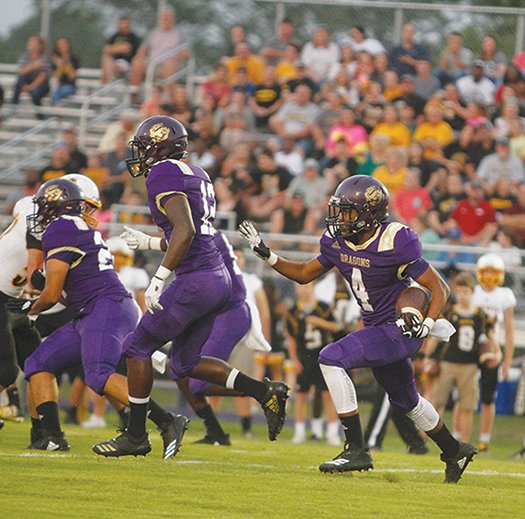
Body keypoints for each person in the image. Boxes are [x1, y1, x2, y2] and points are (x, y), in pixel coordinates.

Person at [240, 175, 477, 483]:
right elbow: (302, 274)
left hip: (398, 328)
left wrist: (428, 323)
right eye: (339, 211)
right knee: (407, 402)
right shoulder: (338, 242)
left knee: (331, 357)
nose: (340, 218)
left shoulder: (395, 240)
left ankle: (356, 447)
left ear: (369, 213)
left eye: (348, 212)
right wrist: (266, 253)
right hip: (377, 328)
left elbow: (438, 288)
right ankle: (454, 450)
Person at [93, 116, 289, 457]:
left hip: (196, 277)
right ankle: (264, 391)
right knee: (184, 364)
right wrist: (151, 244)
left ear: (159, 146)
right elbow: (193, 231)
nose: (139, 154)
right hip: (216, 277)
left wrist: (159, 277)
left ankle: (137, 435)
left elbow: (185, 231)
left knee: (135, 348)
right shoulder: (197, 173)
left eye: (143, 146)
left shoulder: (162, 172)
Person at [7, 178, 187, 455]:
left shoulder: (61, 226)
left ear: (54, 207)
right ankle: (52, 436)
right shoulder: (80, 227)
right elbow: (66, 292)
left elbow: (53, 295)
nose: (40, 214)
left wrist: (28, 307)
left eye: (44, 207)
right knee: (37, 363)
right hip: (92, 311)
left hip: (104, 308)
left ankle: (167, 420)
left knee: (99, 375)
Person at [426, 273, 492, 443]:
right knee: (437, 402)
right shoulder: (450, 312)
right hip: (447, 362)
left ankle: (463, 442)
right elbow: (435, 336)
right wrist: (427, 356)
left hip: (470, 365)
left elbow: (489, 338)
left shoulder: (480, 315)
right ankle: (423, 441)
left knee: (467, 407)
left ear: (472, 292)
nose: (462, 296)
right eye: (459, 292)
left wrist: (494, 352)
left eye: (465, 292)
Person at [285, 281, 342, 446]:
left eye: (307, 286)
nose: (303, 290)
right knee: (301, 395)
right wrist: (294, 359)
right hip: (304, 358)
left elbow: (336, 326)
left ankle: (332, 432)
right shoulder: (293, 312)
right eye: (300, 286)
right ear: (296, 289)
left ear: (313, 287)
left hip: (323, 357)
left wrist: (319, 322)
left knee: (327, 395)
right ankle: (299, 431)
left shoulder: (323, 307)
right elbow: (292, 339)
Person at [472, 253, 516, 453]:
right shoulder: (472, 292)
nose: (489, 276)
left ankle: (484, 440)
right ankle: (457, 436)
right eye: (486, 272)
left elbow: (509, 330)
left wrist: (507, 361)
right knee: (465, 395)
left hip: (493, 350)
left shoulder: (504, 295)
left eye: (493, 272)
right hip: (470, 348)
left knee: (488, 397)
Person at [129, 6, 190, 98]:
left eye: (169, 17)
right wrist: (140, 55)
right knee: (137, 62)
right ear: (160, 19)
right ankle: (134, 96)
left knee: (168, 64)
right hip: (152, 64)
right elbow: (143, 49)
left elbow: (186, 52)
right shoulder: (153, 32)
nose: (166, 19)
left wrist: (174, 57)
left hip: (172, 65)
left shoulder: (180, 33)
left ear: (173, 18)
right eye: (164, 17)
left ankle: (170, 101)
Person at [11, 34, 51, 109]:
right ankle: (13, 108)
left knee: (35, 93)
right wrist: (33, 66)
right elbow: (21, 71)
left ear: (40, 46)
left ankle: (39, 115)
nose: (32, 46)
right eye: (30, 44)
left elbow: (42, 77)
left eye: (35, 44)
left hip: (40, 85)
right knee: (19, 81)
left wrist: (30, 87)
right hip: (26, 83)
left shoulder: (44, 59)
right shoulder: (24, 57)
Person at [101, 15, 141, 83]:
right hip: (114, 62)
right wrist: (120, 48)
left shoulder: (132, 36)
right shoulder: (114, 36)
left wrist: (113, 49)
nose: (124, 25)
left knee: (114, 67)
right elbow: (105, 49)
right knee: (105, 58)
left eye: (126, 24)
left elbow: (127, 49)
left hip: (128, 64)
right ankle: (108, 83)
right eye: (122, 23)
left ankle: (109, 83)